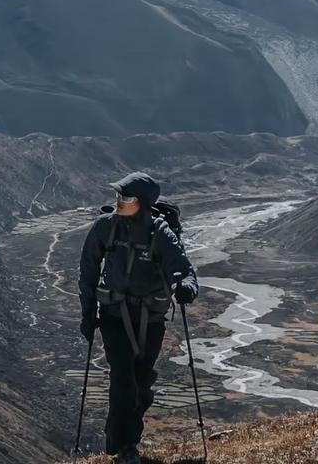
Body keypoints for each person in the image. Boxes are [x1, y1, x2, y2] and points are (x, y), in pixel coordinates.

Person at [78, 171, 198, 464]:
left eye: (127, 197)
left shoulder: (160, 233)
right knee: (123, 378)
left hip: (150, 318)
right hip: (114, 315)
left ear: (142, 203)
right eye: (119, 196)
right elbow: (88, 269)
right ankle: (125, 447)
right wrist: (87, 313)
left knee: (141, 382)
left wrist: (186, 287)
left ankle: (122, 439)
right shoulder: (105, 227)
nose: (120, 201)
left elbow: (183, 268)